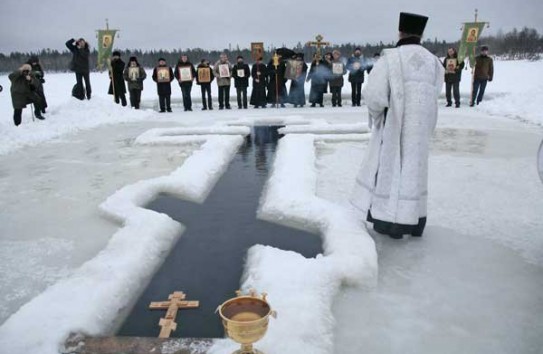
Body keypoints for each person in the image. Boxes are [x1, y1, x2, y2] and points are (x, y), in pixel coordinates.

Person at [351, 12, 444, 239]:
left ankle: (391, 224)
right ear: (421, 33)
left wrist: (377, 115)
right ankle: (415, 221)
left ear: (400, 32)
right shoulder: (433, 61)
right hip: (420, 128)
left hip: (394, 126)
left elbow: (374, 96)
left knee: (391, 171)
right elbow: (435, 93)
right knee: (415, 171)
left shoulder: (390, 58)